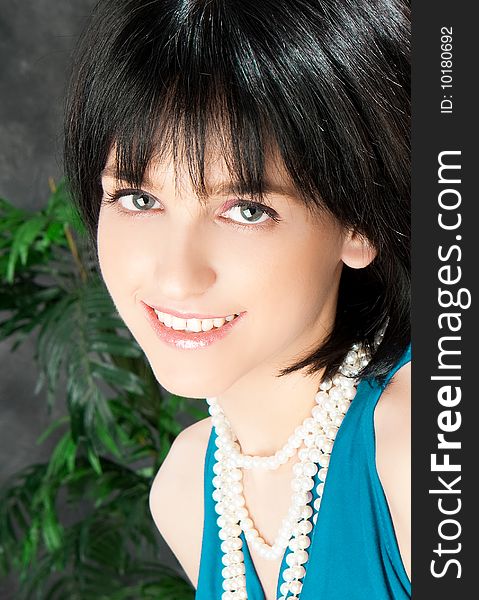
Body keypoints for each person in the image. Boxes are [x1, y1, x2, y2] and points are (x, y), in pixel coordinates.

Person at [64, 0, 411, 598]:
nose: (177, 277)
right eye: (138, 199)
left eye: (246, 211)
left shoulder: (418, 452)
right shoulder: (186, 491)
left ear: (361, 225)